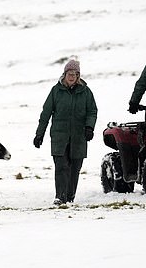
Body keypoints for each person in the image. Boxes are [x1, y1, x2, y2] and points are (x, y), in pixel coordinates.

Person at [34, 59, 98, 205]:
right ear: (64, 74)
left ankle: (70, 197)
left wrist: (89, 127)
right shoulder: (56, 91)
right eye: (70, 73)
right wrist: (39, 134)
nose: (72, 76)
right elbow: (46, 113)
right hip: (59, 136)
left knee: (75, 168)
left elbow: (92, 111)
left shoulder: (86, 92)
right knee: (61, 167)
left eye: (75, 74)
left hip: (79, 137)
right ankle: (60, 197)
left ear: (78, 76)